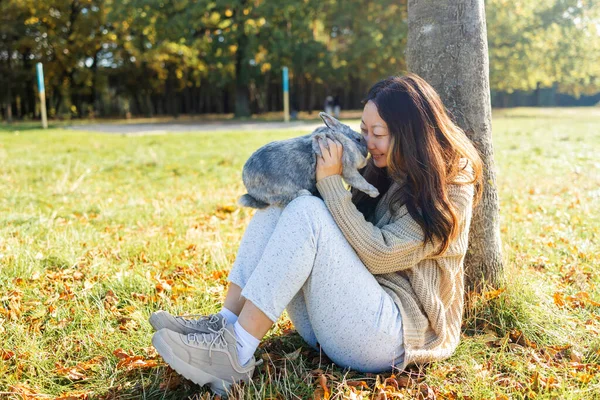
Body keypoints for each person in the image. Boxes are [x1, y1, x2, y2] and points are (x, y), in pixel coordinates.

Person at [149, 73, 483, 396]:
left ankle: (234, 354)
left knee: (307, 210)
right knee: (283, 203)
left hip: (392, 336)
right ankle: (226, 324)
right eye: (364, 130)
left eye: (377, 133)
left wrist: (330, 184)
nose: (366, 143)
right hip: (339, 319)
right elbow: (333, 226)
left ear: (410, 133)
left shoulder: (450, 185)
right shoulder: (383, 165)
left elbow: (379, 255)